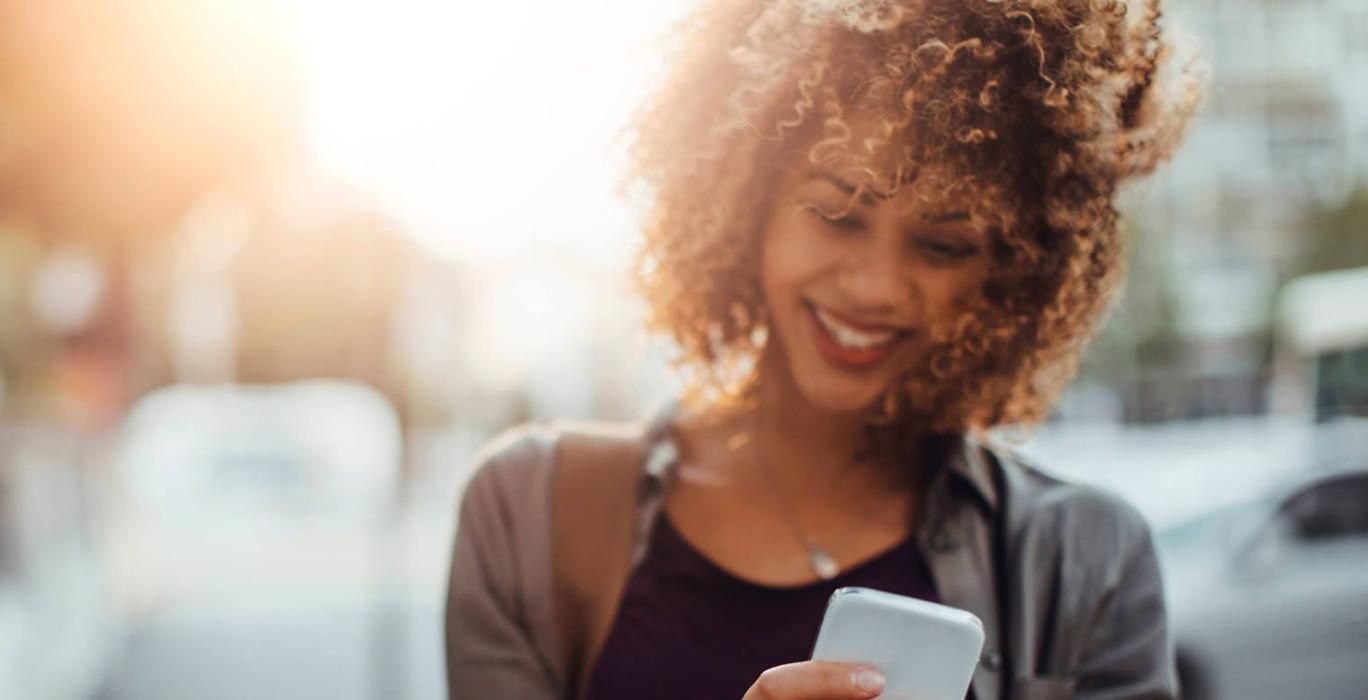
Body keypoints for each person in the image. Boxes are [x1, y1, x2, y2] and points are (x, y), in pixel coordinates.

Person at [444, 0, 1205, 698]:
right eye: (837, 214)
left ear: (1012, 274)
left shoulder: (1089, 564)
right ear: (746, 199)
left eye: (943, 245)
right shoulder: (531, 514)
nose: (876, 287)